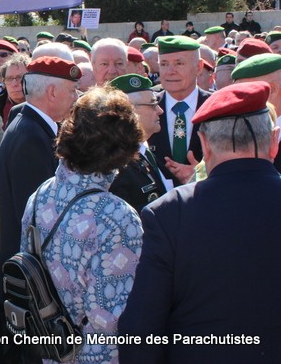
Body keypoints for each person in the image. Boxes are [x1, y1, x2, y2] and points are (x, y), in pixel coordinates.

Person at [119, 82, 281, 363]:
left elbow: (142, 328)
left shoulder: (169, 213)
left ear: (204, 145)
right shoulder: (169, 212)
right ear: (274, 142)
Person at [22, 86, 143, 363]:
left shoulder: (40, 195)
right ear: (125, 147)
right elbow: (109, 320)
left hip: (49, 351)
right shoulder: (117, 217)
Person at [0, 56, 81, 265]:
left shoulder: (29, 125)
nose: (76, 97)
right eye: (72, 91)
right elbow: (38, 222)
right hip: (35, 273)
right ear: (52, 92)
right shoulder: (31, 138)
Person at [148, 36, 211, 185]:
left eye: (179, 63)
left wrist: (202, 173)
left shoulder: (216, 107)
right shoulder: (146, 108)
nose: (170, 71)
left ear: (199, 67)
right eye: (164, 64)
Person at [108, 74, 172, 212]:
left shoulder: (142, 151)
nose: (160, 111)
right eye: (153, 105)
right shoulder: (116, 163)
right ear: (130, 111)